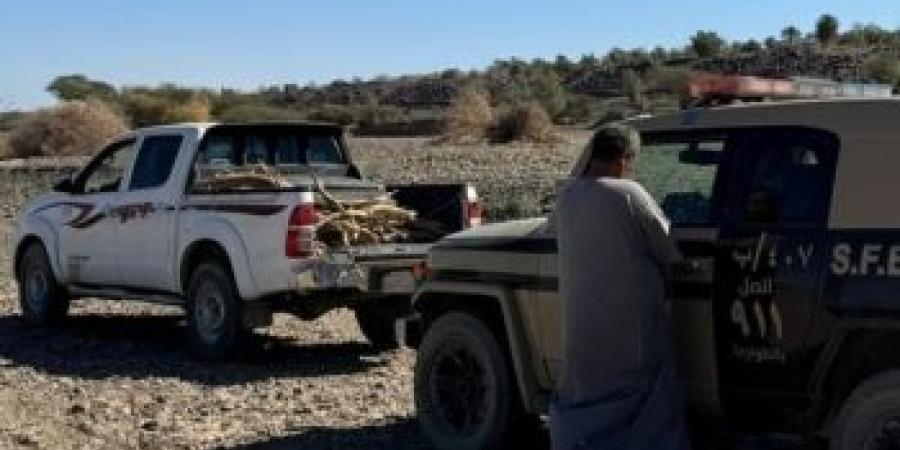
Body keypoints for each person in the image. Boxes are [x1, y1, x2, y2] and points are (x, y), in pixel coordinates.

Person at [550, 125, 689, 450]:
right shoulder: (629, 194)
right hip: (632, 323)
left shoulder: (568, 196)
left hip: (582, 323)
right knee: (648, 394)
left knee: (588, 390)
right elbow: (666, 248)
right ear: (623, 159)